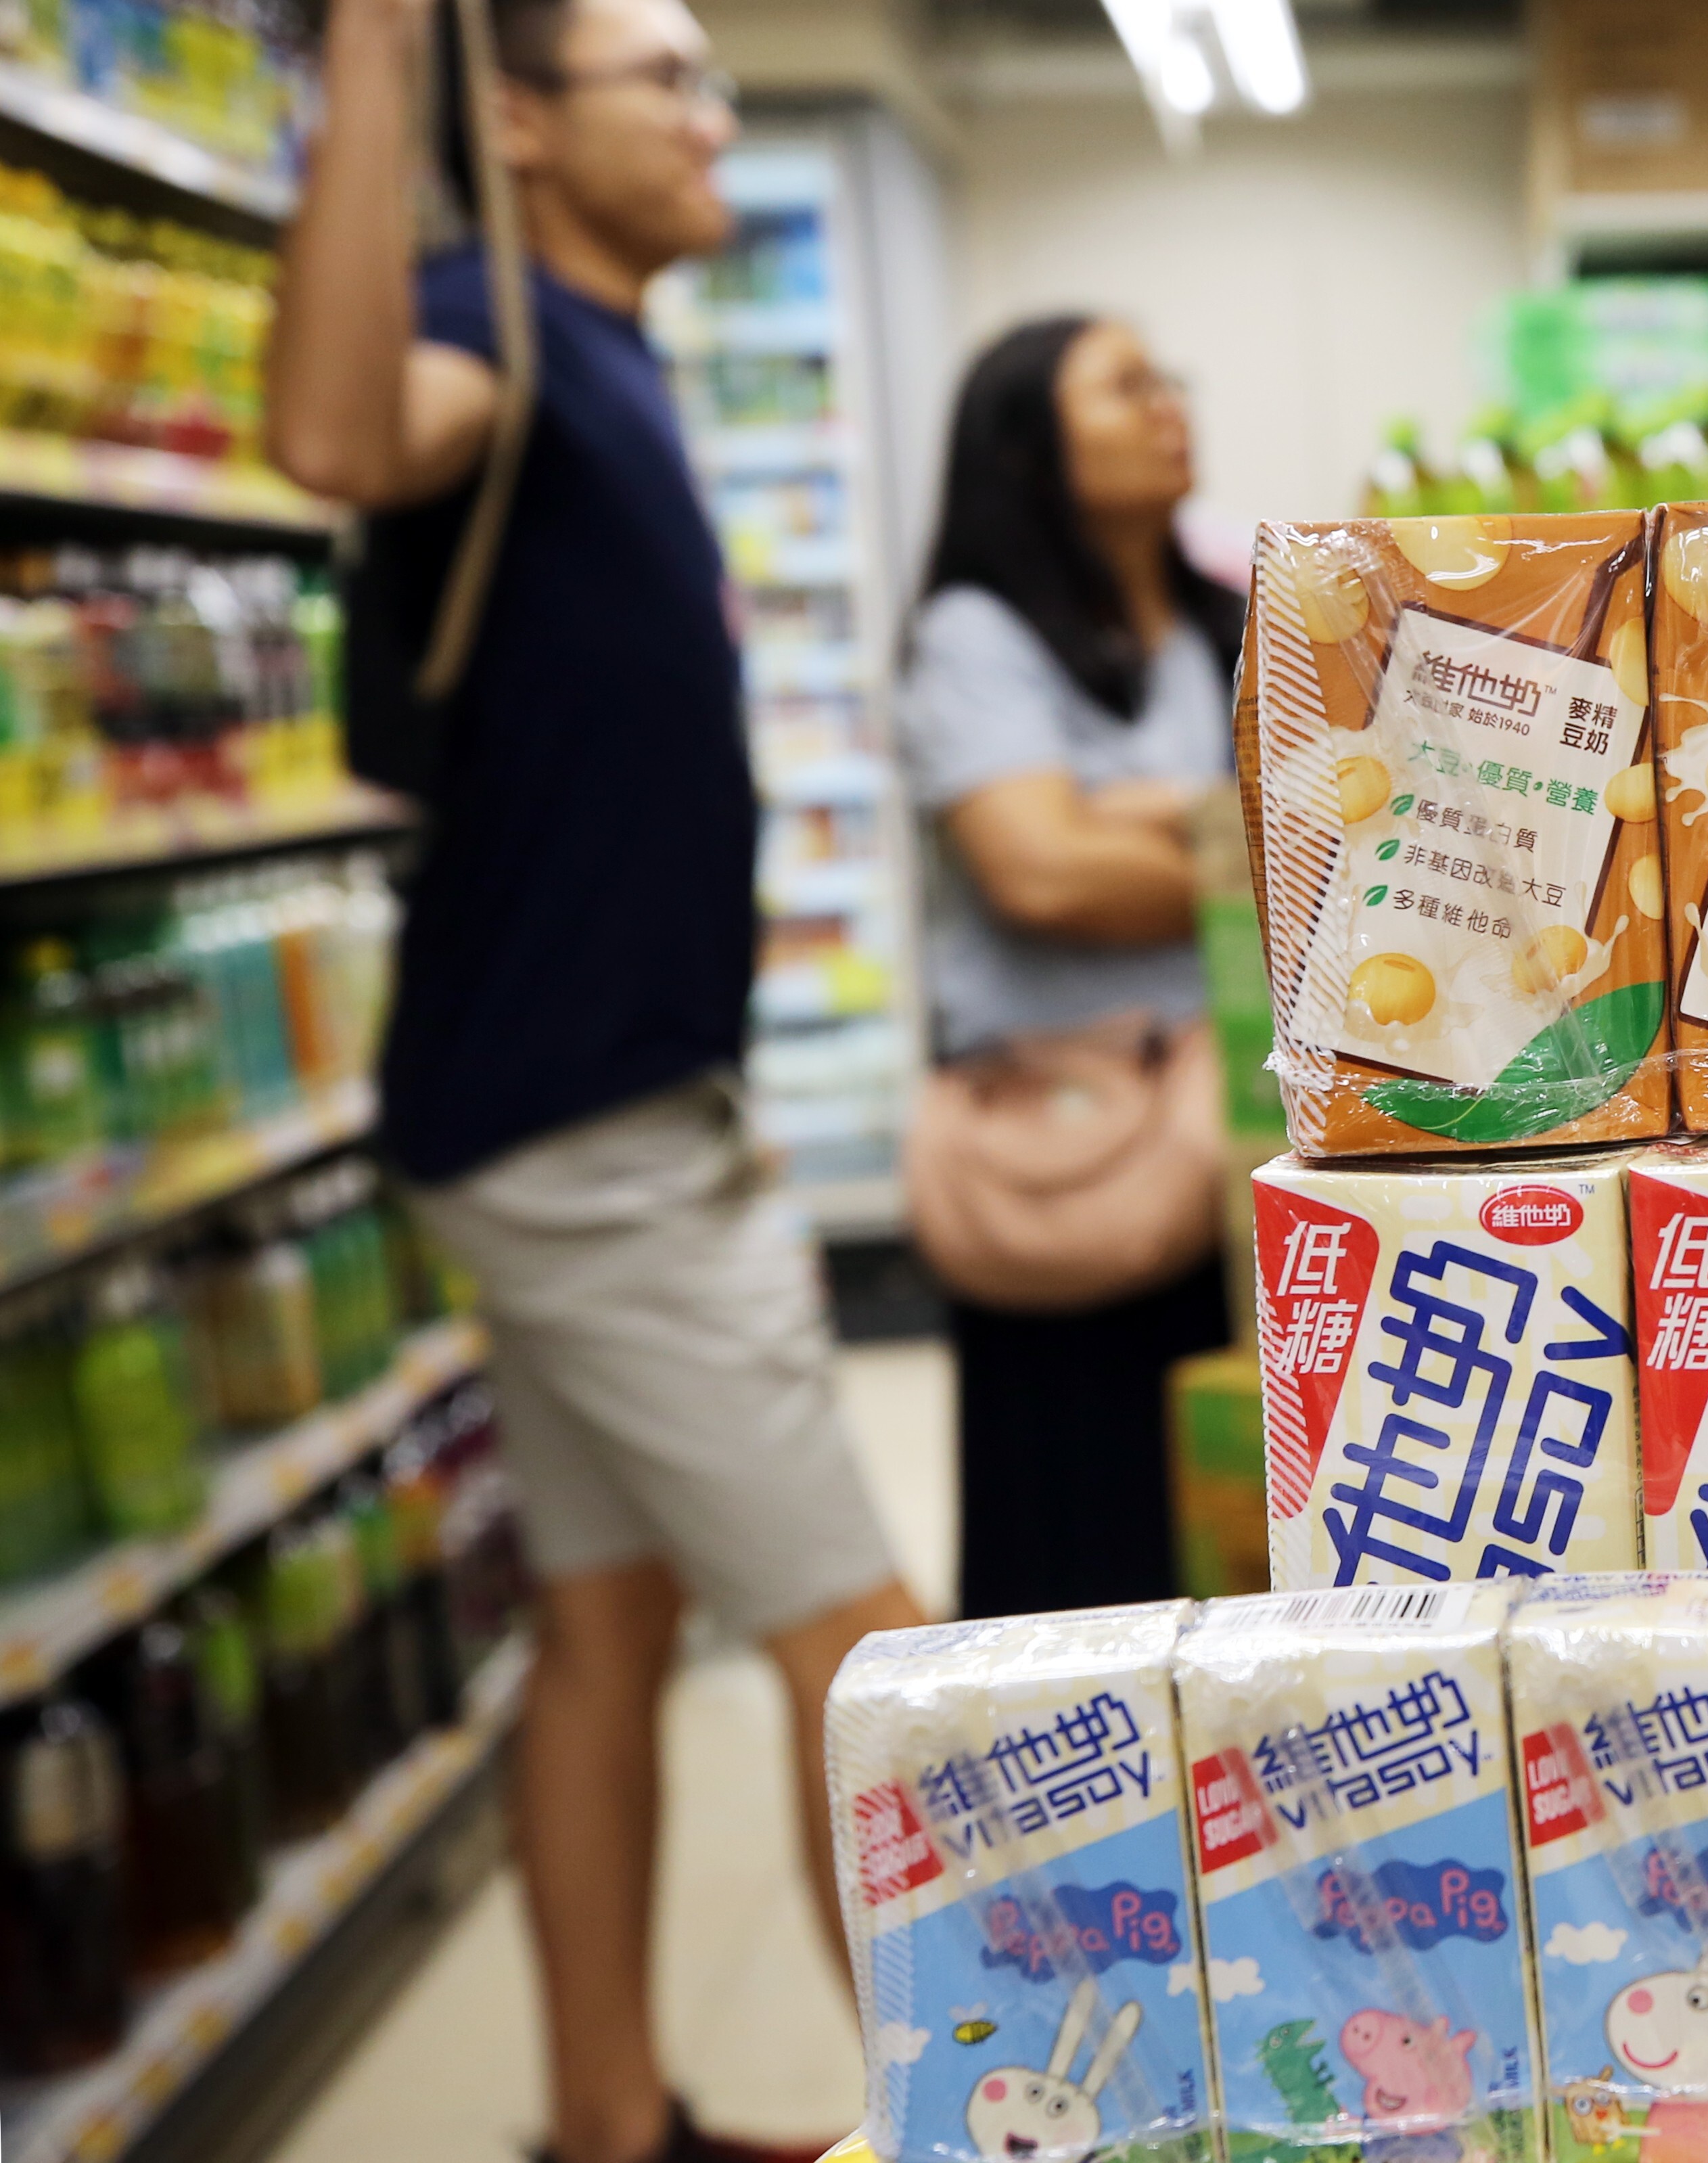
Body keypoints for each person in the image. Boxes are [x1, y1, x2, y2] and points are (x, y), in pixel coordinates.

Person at [262, 0, 923, 2158]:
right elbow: (343, 443)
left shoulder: (607, 348)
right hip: (584, 1132)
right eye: (675, 77)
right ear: (522, 119)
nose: (717, 115)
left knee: (606, 1617)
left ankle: (604, 2121)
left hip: (607, 1101)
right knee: (877, 1660)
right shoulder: (478, 322)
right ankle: (984, 2121)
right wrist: (375, 60)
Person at [895, 316, 1241, 1619]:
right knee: (1082, 1560)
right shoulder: (977, 635)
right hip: (1070, 1158)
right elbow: (1038, 873)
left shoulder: (1225, 620)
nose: (1168, 406)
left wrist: (1153, 819)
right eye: (1125, 385)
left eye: (1170, 377)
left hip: (1225, 1156)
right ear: (1025, 444)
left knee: (1221, 1542)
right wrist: (1228, 843)